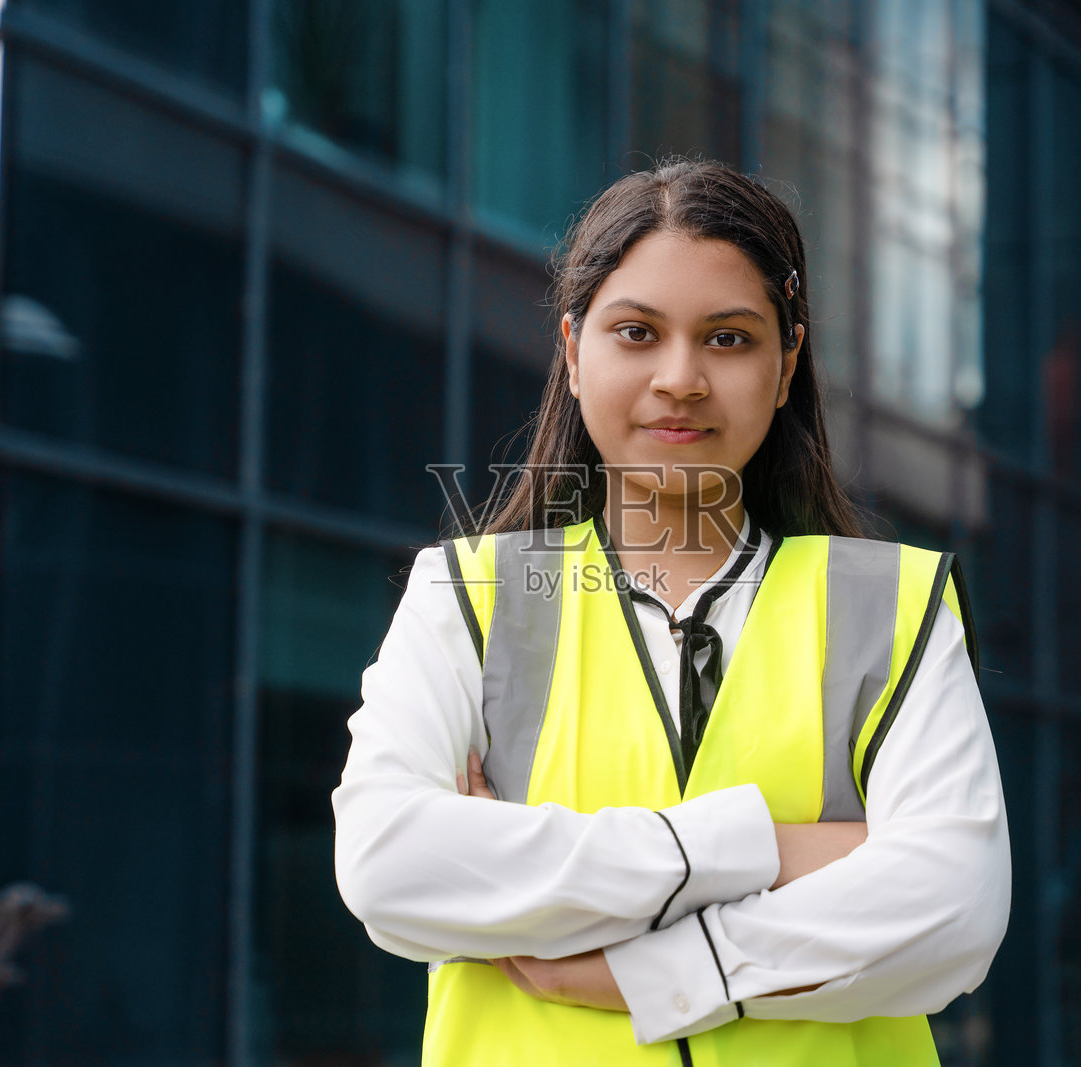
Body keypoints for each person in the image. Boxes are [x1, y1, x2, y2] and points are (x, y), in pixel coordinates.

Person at [333, 159, 1010, 1066]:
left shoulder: (895, 606)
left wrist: (655, 971)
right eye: (637, 332)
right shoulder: (469, 596)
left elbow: (956, 907)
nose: (681, 377)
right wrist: (762, 848)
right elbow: (388, 861)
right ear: (574, 353)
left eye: (728, 338)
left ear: (787, 364)